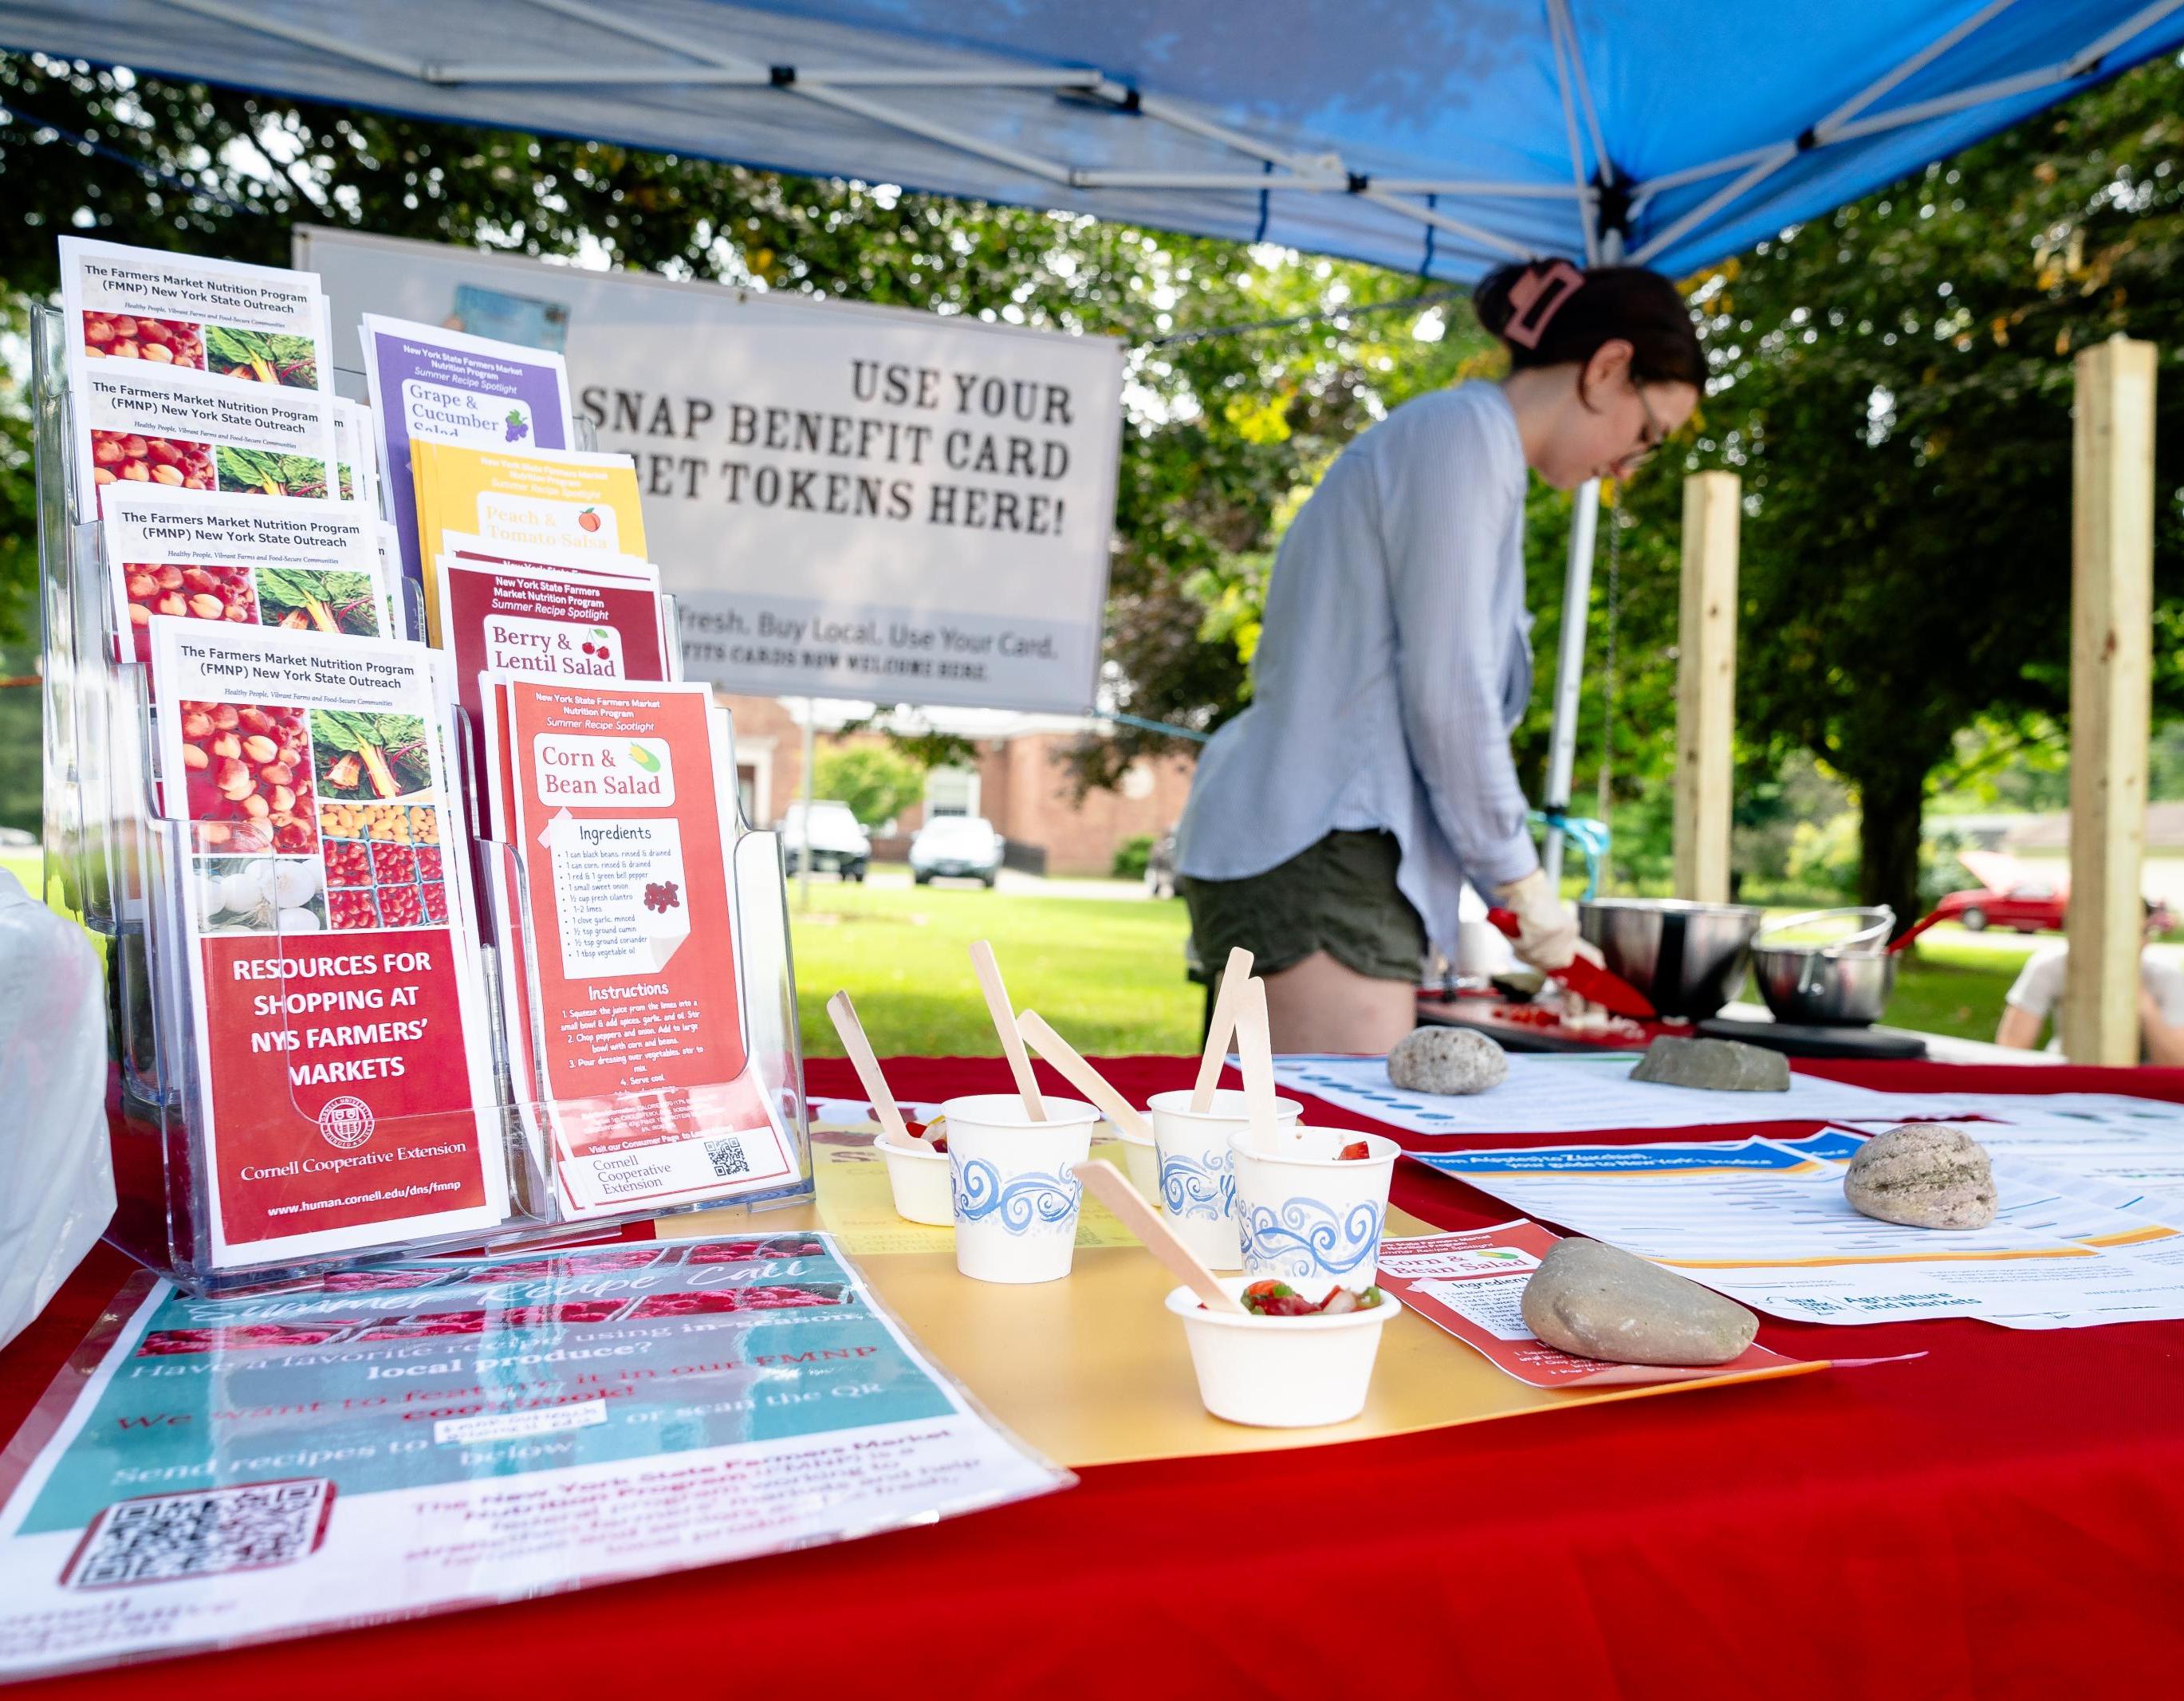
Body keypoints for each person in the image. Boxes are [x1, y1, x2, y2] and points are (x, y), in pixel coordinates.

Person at [1175, 259, 1704, 1052]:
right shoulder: (1463, 439)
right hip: (1326, 851)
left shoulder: (1466, 448)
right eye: (1648, 435)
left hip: (1324, 847)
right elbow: (1449, 699)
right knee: (1317, 1163)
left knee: (1276, 1160)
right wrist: (1522, 886)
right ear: (1607, 369)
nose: (1630, 466)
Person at [1995, 900, 2184, 1062]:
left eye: (2143, 932)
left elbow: (2177, 1065)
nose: (2140, 942)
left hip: (2141, 1090)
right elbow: (2010, 1050)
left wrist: (2141, 1000)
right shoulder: (2052, 965)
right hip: (2067, 1076)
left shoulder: (2166, 976)